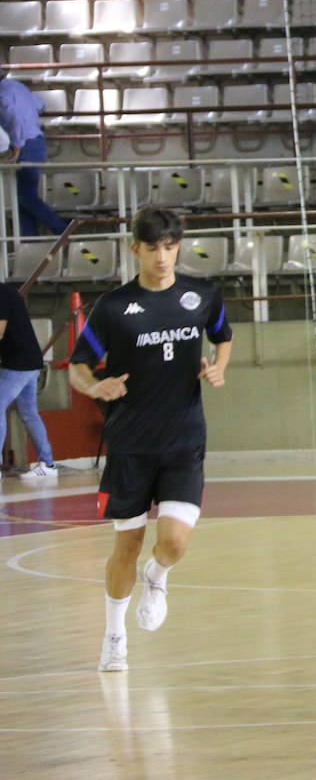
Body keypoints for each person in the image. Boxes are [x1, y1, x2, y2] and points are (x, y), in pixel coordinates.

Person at [69, 207, 233, 673]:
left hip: (184, 439)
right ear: (134, 248)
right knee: (127, 543)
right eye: (153, 247)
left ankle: (157, 575)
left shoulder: (201, 295)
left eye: (170, 246)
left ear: (178, 246)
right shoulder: (114, 307)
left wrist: (219, 365)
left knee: (175, 543)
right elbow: (79, 365)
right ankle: (114, 637)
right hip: (130, 444)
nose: (162, 257)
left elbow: (222, 336)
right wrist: (93, 386)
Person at [0, 73, 70, 237]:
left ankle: (61, 228)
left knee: (25, 196)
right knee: (23, 196)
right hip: (36, 141)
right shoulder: (17, 86)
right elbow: (40, 104)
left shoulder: (2, 94)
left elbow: (14, 119)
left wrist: (16, 148)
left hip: (24, 144)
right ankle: (29, 240)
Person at [0, 281, 58, 479]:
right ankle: (48, 464)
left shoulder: (2, 293)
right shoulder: (7, 291)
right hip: (28, 360)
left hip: (20, 362)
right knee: (29, 413)